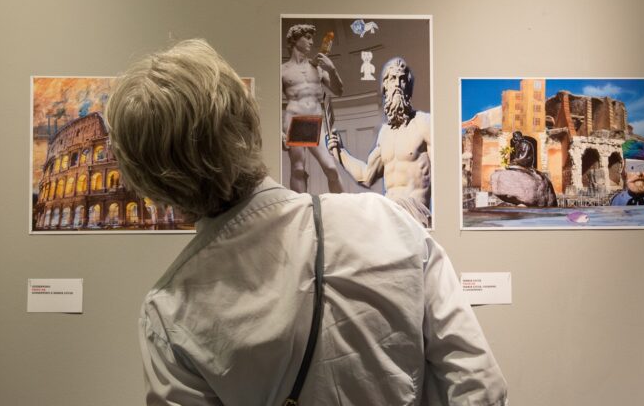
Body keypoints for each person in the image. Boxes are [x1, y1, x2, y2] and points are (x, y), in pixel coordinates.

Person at [105, 39, 508, 406]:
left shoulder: (171, 312)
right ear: (248, 123)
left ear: (149, 185)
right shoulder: (385, 221)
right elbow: (480, 387)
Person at [328, 57, 433, 227]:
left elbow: (443, 175)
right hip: (389, 215)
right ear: (385, 87)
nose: (398, 84)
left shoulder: (424, 123)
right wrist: (340, 152)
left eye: (402, 79)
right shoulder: (385, 133)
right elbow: (366, 176)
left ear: (409, 86)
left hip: (414, 217)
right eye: (392, 78)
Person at [282, 24, 344, 193]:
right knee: (298, 169)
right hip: (294, 120)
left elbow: (338, 91)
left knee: (331, 168)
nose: (311, 41)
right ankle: (302, 209)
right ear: (295, 39)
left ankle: (342, 207)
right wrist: (279, 131)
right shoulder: (283, 70)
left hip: (315, 121)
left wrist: (332, 69)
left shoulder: (317, 67)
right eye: (307, 37)